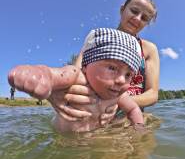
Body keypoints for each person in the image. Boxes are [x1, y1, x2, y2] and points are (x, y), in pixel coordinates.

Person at [48, 0, 160, 125]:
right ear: (122, 9)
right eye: (134, 11)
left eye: (145, 18)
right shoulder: (97, 39)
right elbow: (76, 73)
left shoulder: (149, 49)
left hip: (130, 117)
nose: (137, 18)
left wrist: (117, 101)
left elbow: (152, 94)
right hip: (95, 114)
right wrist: (56, 91)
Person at [8, 28, 144, 132]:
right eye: (112, 68)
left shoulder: (117, 95)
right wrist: (37, 75)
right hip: (63, 143)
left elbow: (133, 109)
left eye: (128, 75)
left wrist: (139, 128)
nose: (121, 80)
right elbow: (52, 74)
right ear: (86, 65)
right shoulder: (75, 76)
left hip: (95, 140)